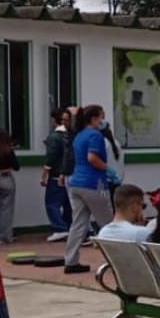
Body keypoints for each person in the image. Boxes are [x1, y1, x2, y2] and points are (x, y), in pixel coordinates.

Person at [64, 105, 115, 274]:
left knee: (78, 224)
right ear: (93, 119)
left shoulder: (79, 135)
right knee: (109, 225)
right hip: (93, 184)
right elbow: (92, 158)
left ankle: (70, 261)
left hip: (76, 183)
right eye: (101, 117)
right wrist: (107, 169)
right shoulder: (95, 135)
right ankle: (118, 261)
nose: (102, 121)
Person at [41, 108, 73, 242]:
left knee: (52, 203)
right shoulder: (71, 135)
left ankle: (60, 228)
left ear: (54, 120)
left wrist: (44, 173)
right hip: (68, 174)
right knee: (67, 203)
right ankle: (68, 226)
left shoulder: (54, 137)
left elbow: (51, 156)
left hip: (55, 174)